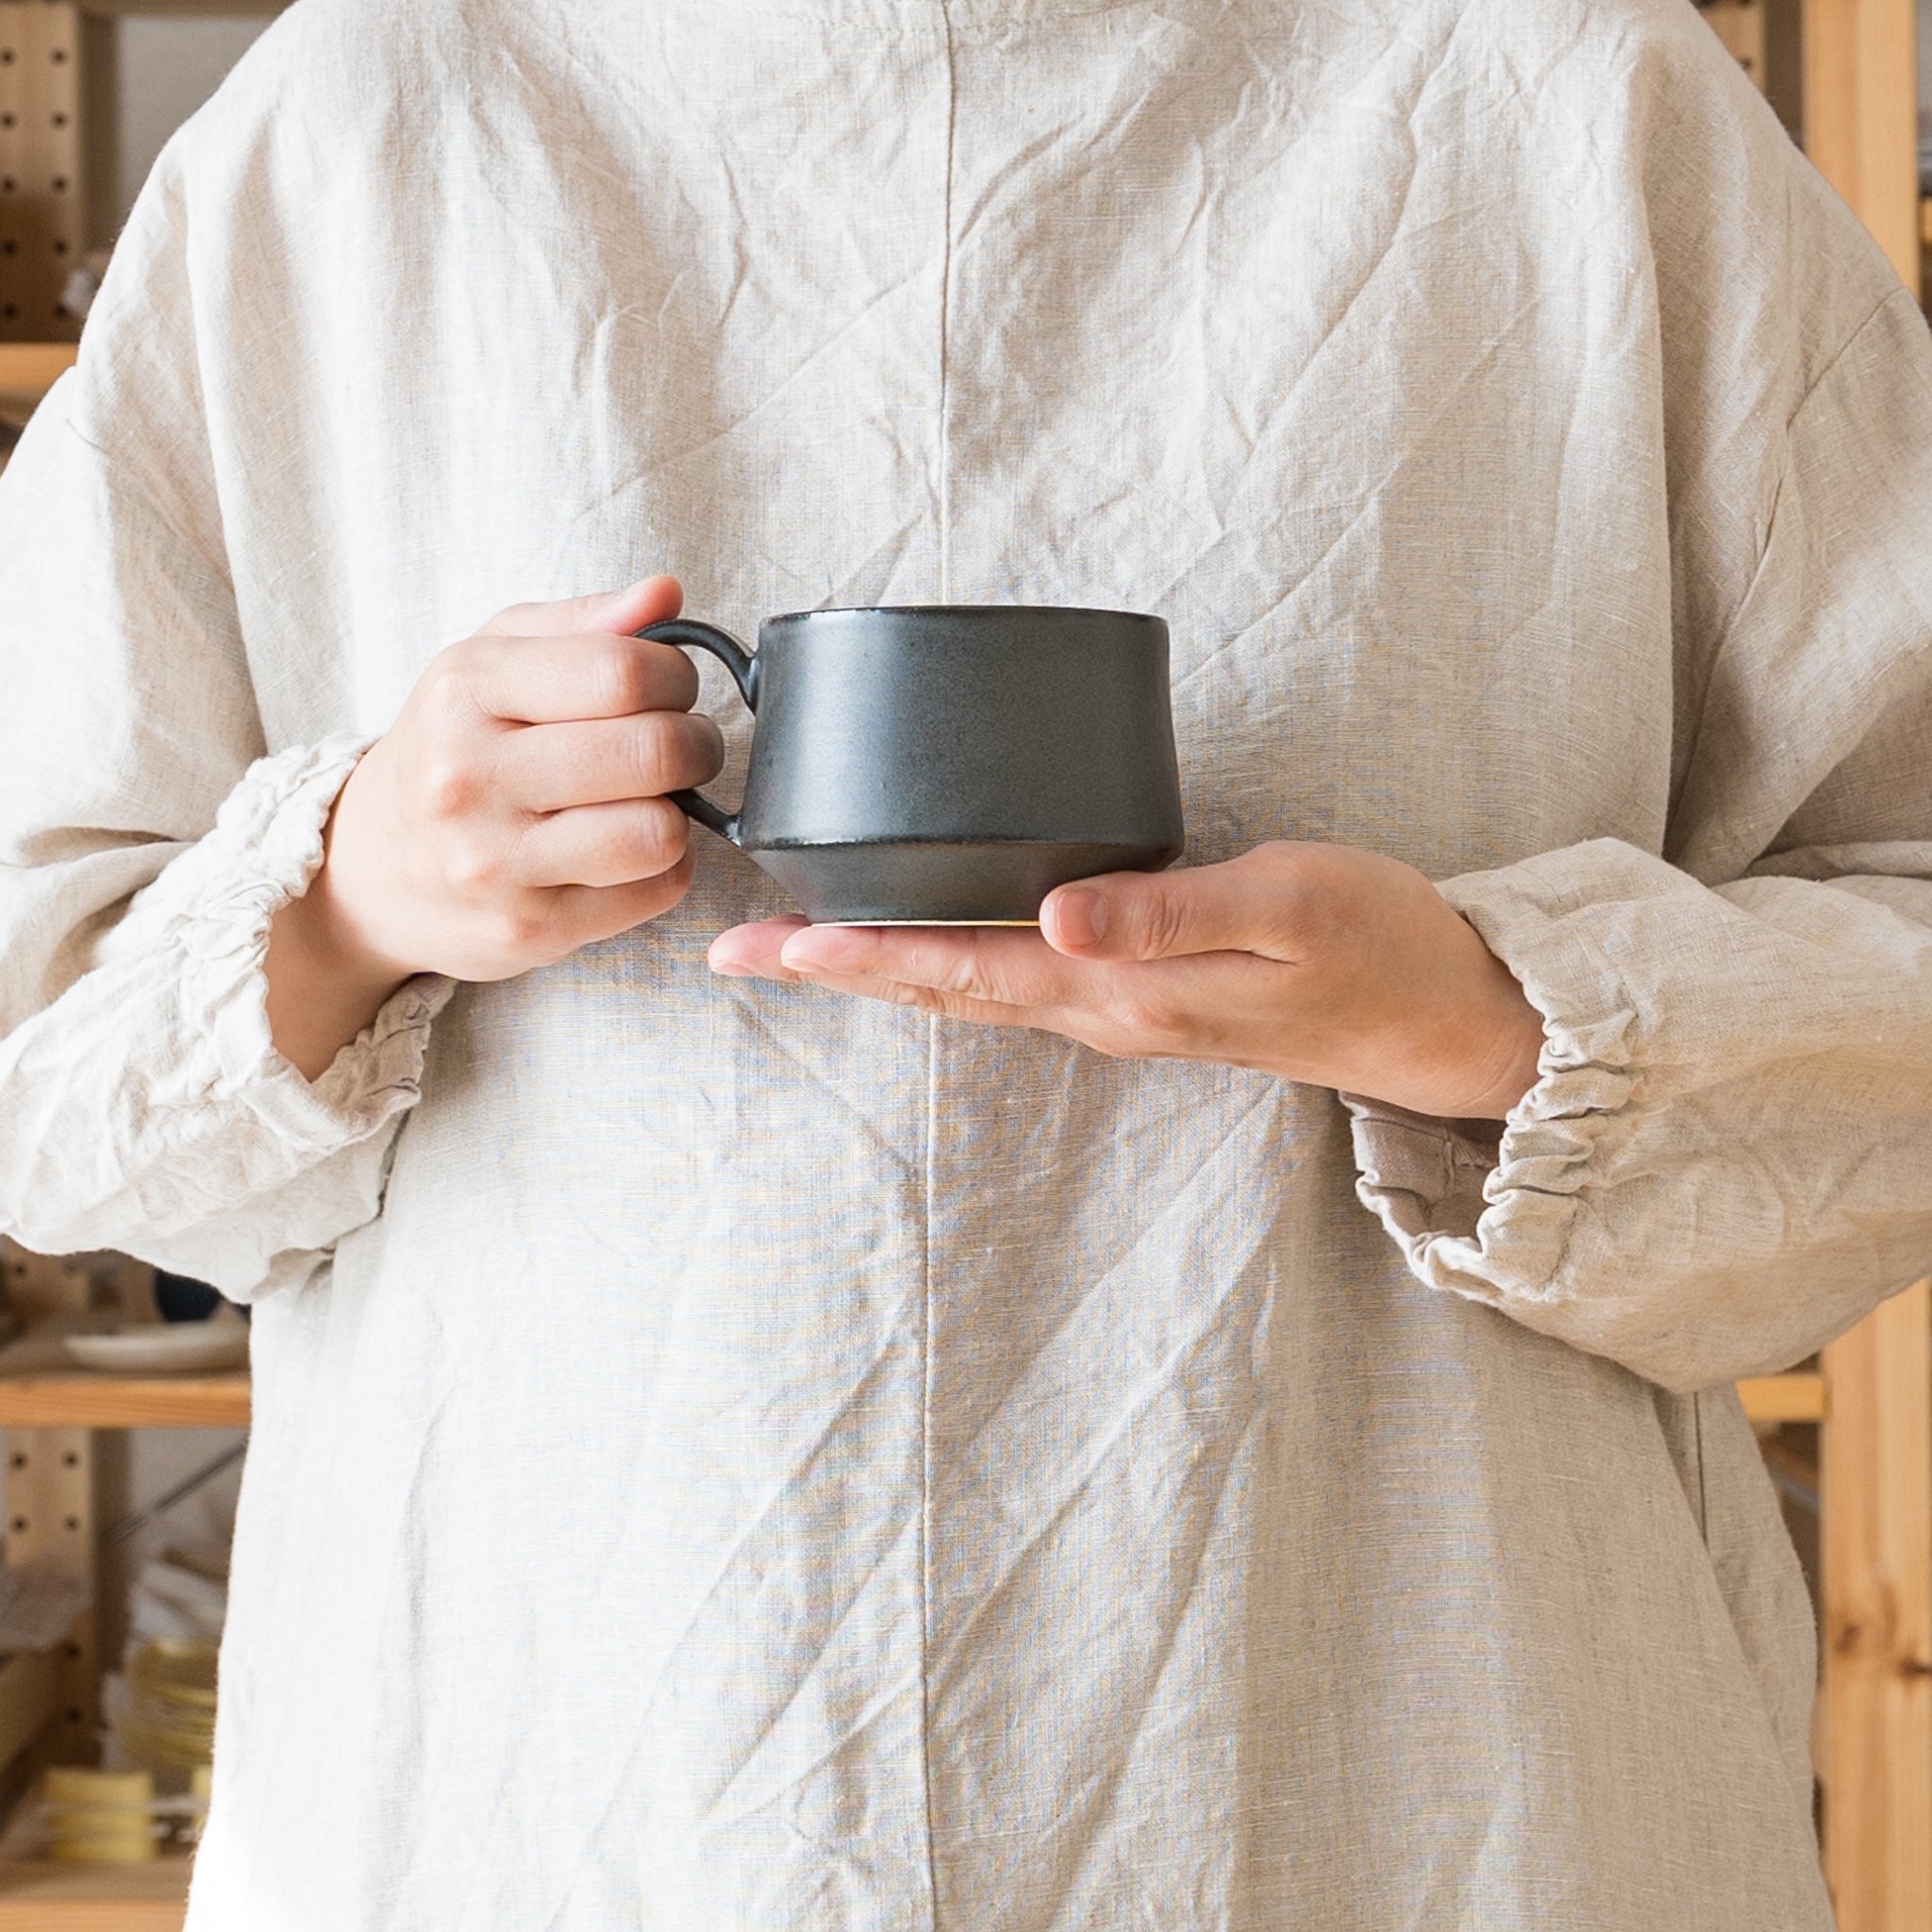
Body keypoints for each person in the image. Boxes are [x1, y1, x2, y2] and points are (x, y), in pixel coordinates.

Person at [0, 0, 1926, 1924]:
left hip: (1414, 1768)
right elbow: (41, 1074)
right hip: (566, 1792)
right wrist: (348, 893)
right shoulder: (363, 119)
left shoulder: (1563, 86)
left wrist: (1495, 1018)